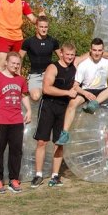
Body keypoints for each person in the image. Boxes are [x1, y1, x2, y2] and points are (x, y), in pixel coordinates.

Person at [56, 38, 108, 145]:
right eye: (94, 50)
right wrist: (85, 93)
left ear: (103, 51)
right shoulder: (83, 64)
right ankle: (64, 133)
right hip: (87, 90)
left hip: (102, 91)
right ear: (90, 50)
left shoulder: (107, 62)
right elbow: (76, 86)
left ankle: (94, 104)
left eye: (99, 50)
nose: (97, 53)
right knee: (72, 103)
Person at [30, 43, 78, 188]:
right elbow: (46, 89)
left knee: (59, 142)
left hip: (63, 108)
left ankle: (55, 176)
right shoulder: (53, 67)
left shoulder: (74, 67)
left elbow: (91, 53)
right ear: (61, 53)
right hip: (49, 106)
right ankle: (38, 175)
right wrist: (67, 93)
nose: (69, 57)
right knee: (42, 142)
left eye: (72, 54)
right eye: (67, 54)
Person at [0, 52, 32, 194]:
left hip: (16, 121)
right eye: (13, 63)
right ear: (6, 62)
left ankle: (14, 179)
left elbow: (23, 96)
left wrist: (29, 110)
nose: (15, 66)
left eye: (18, 64)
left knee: (16, 152)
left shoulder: (21, 80)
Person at [19, 16, 60, 101]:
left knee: (54, 96)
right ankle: (44, 91)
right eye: (41, 27)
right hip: (35, 75)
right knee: (35, 96)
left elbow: (62, 58)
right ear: (36, 27)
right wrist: (19, 76)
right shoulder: (28, 42)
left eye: (46, 27)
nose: (44, 29)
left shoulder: (53, 41)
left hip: (49, 74)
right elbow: (19, 58)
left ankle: (46, 91)